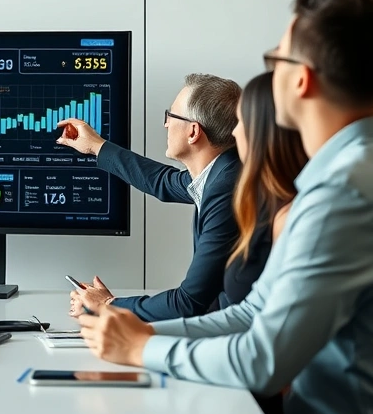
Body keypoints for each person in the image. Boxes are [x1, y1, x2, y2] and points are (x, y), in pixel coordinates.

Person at [78, 0, 373, 414]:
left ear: (301, 80)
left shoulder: (347, 192)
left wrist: (143, 347)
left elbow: (262, 360)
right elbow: (255, 311)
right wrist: (141, 330)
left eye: (275, 59)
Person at [58, 73, 242, 321]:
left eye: (171, 116)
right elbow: (162, 181)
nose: (166, 124)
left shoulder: (226, 188)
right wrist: (95, 146)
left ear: (193, 132)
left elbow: (189, 302)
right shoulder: (221, 172)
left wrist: (107, 305)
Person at [223, 71, 308, 414]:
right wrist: (146, 336)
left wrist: (146, 345)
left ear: (261, 132)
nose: (234, 133)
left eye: (240, 122)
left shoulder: (297, 217)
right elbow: (251, 312)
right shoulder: (276, 208)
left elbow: (268, 353)